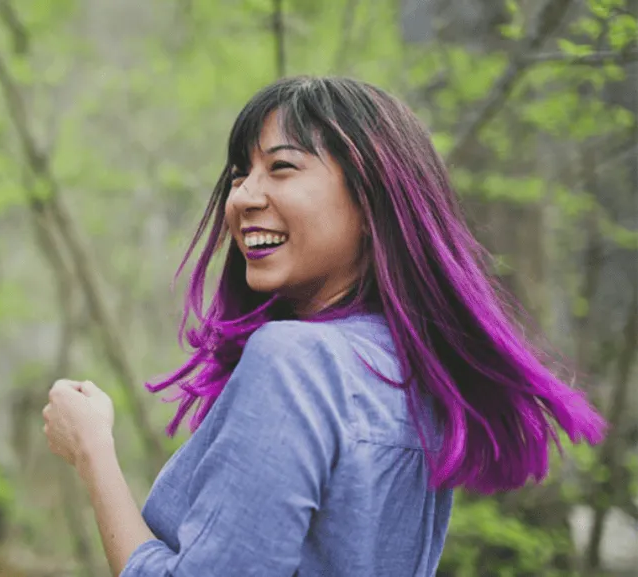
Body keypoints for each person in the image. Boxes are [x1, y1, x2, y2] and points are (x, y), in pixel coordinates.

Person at [41, 76, 606, 576]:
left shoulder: (297, 362)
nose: (243, 197)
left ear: (372, 201)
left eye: (281, 167)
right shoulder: (413, 377)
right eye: (240, 174)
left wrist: (93, 451)